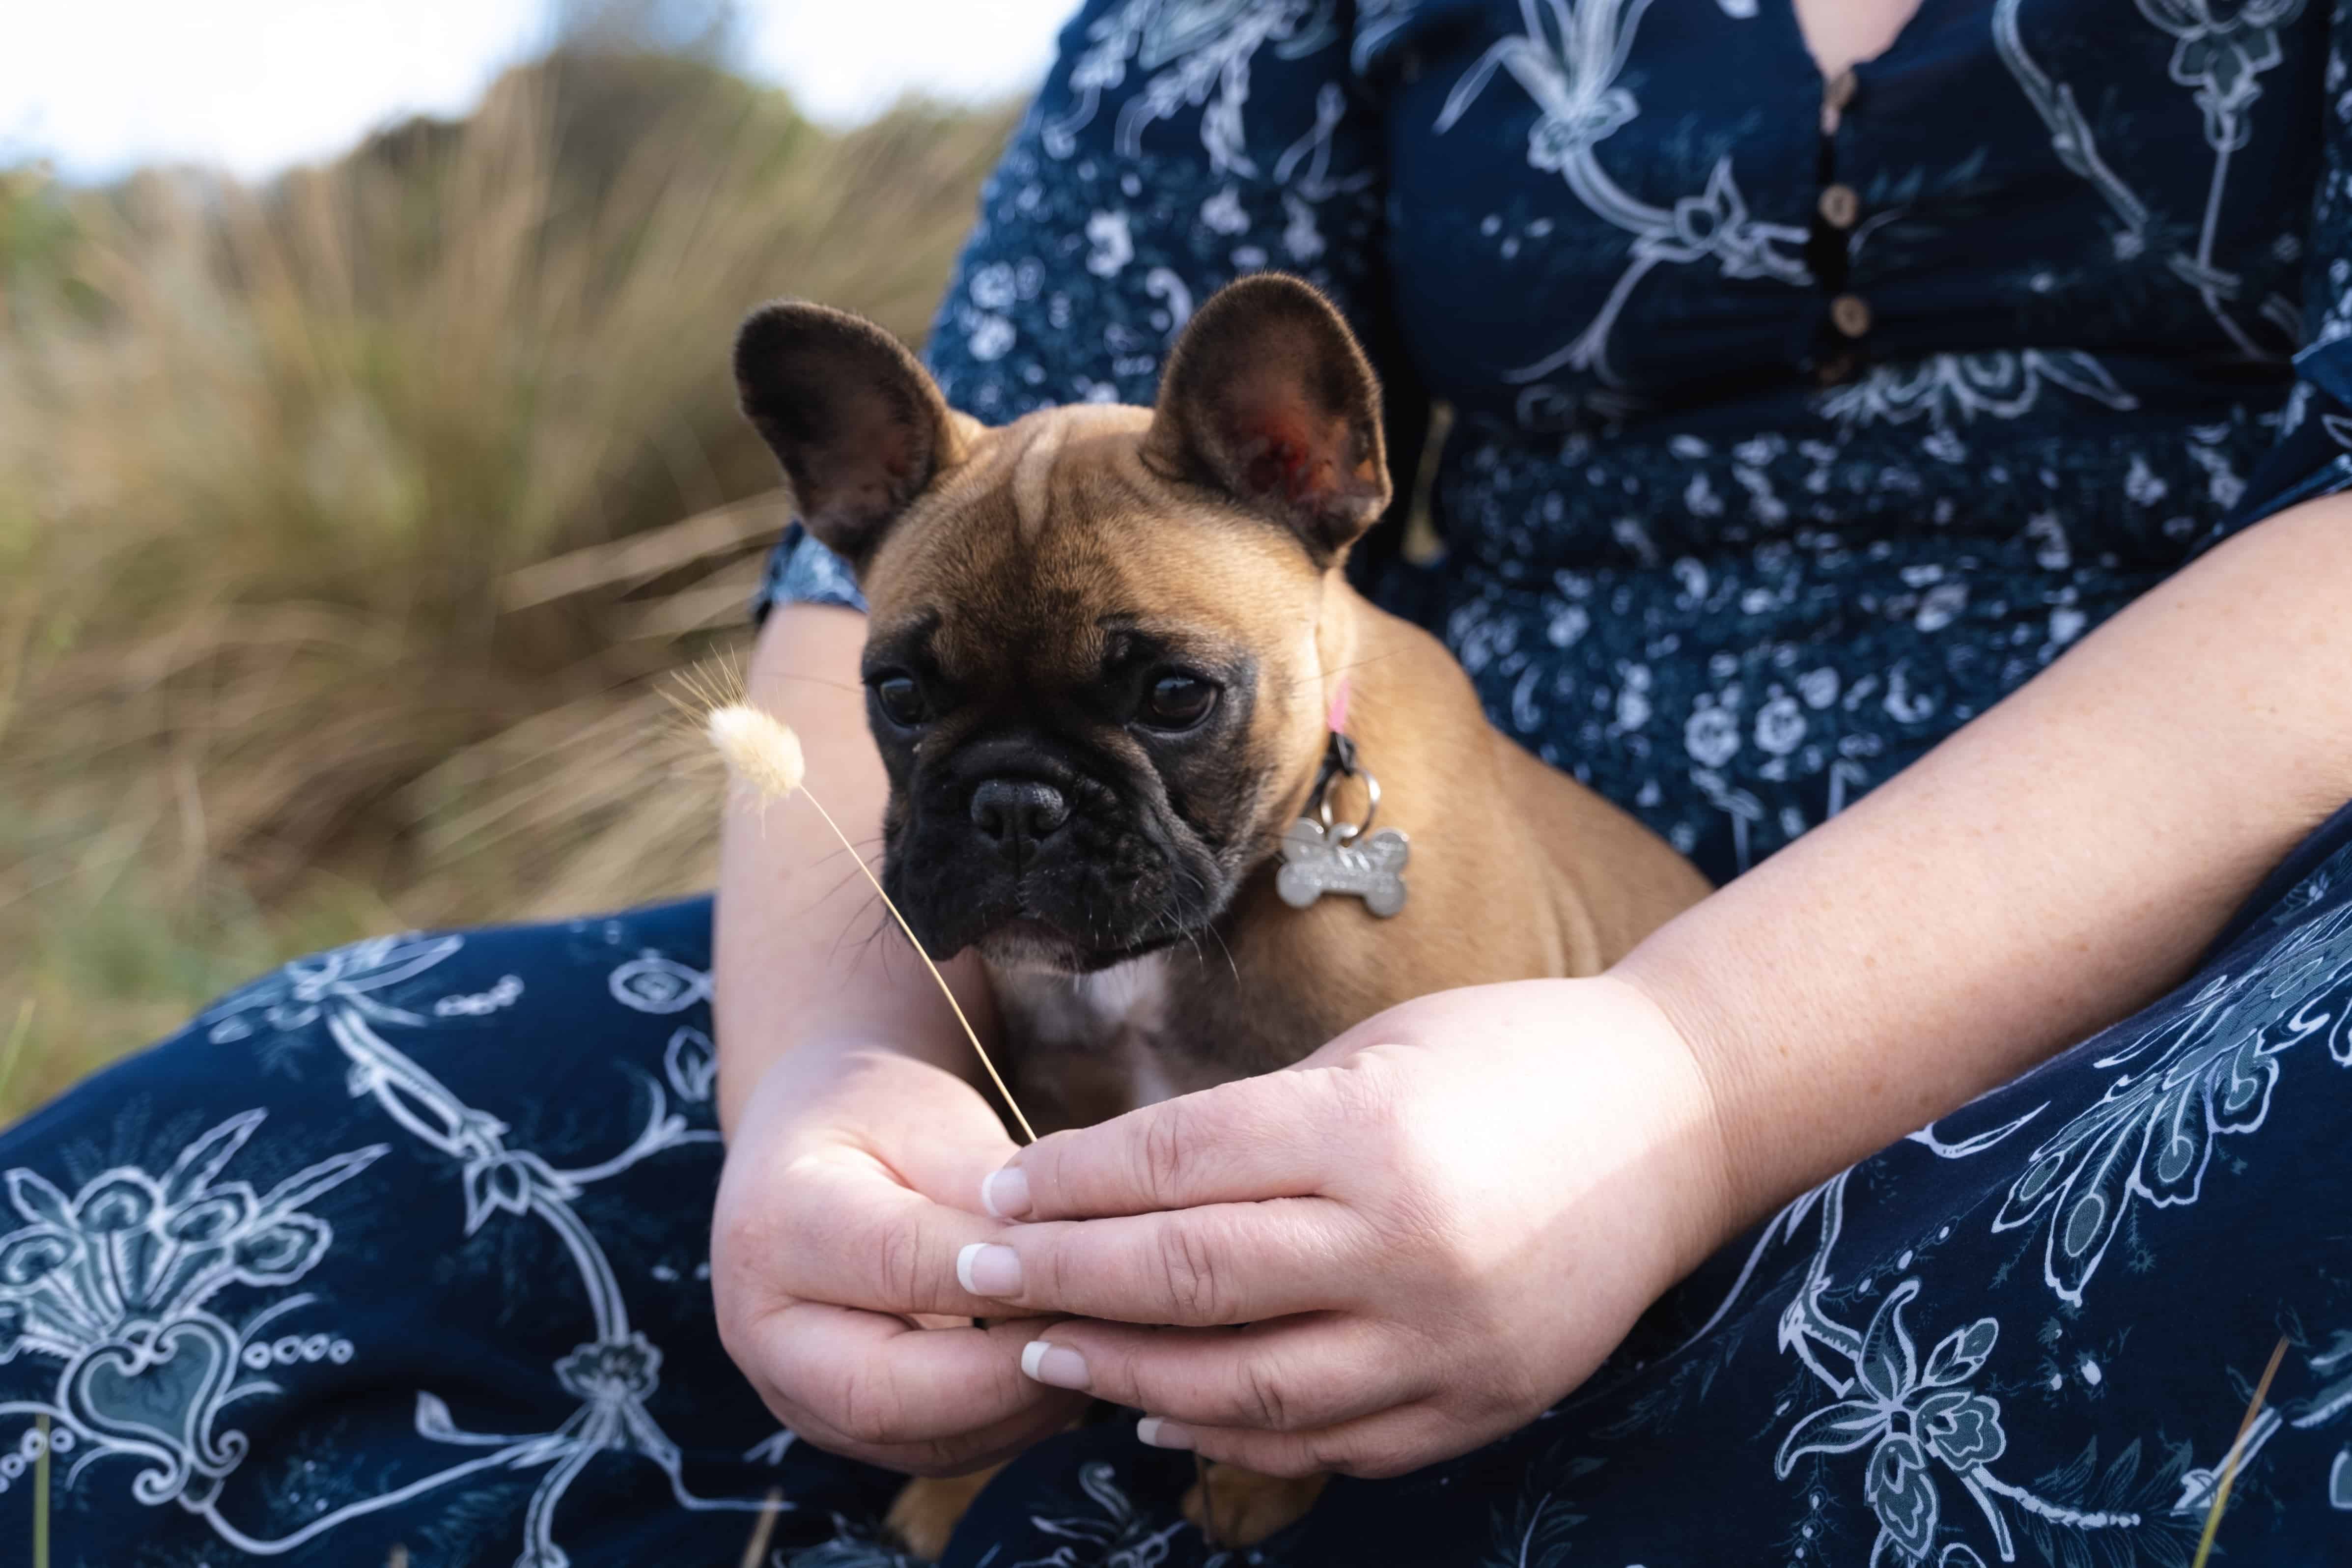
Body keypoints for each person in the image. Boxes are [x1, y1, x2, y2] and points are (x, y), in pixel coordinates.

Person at [7, 0, 2352, 1562]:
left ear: (1307, 470)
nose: (1012, 786)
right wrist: (830, 1074)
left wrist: (1684, 1070)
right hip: (1320, 828)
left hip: (2168, 938)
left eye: (1143, 697)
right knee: (190, 1210)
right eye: (962, 730)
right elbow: (929, 558)